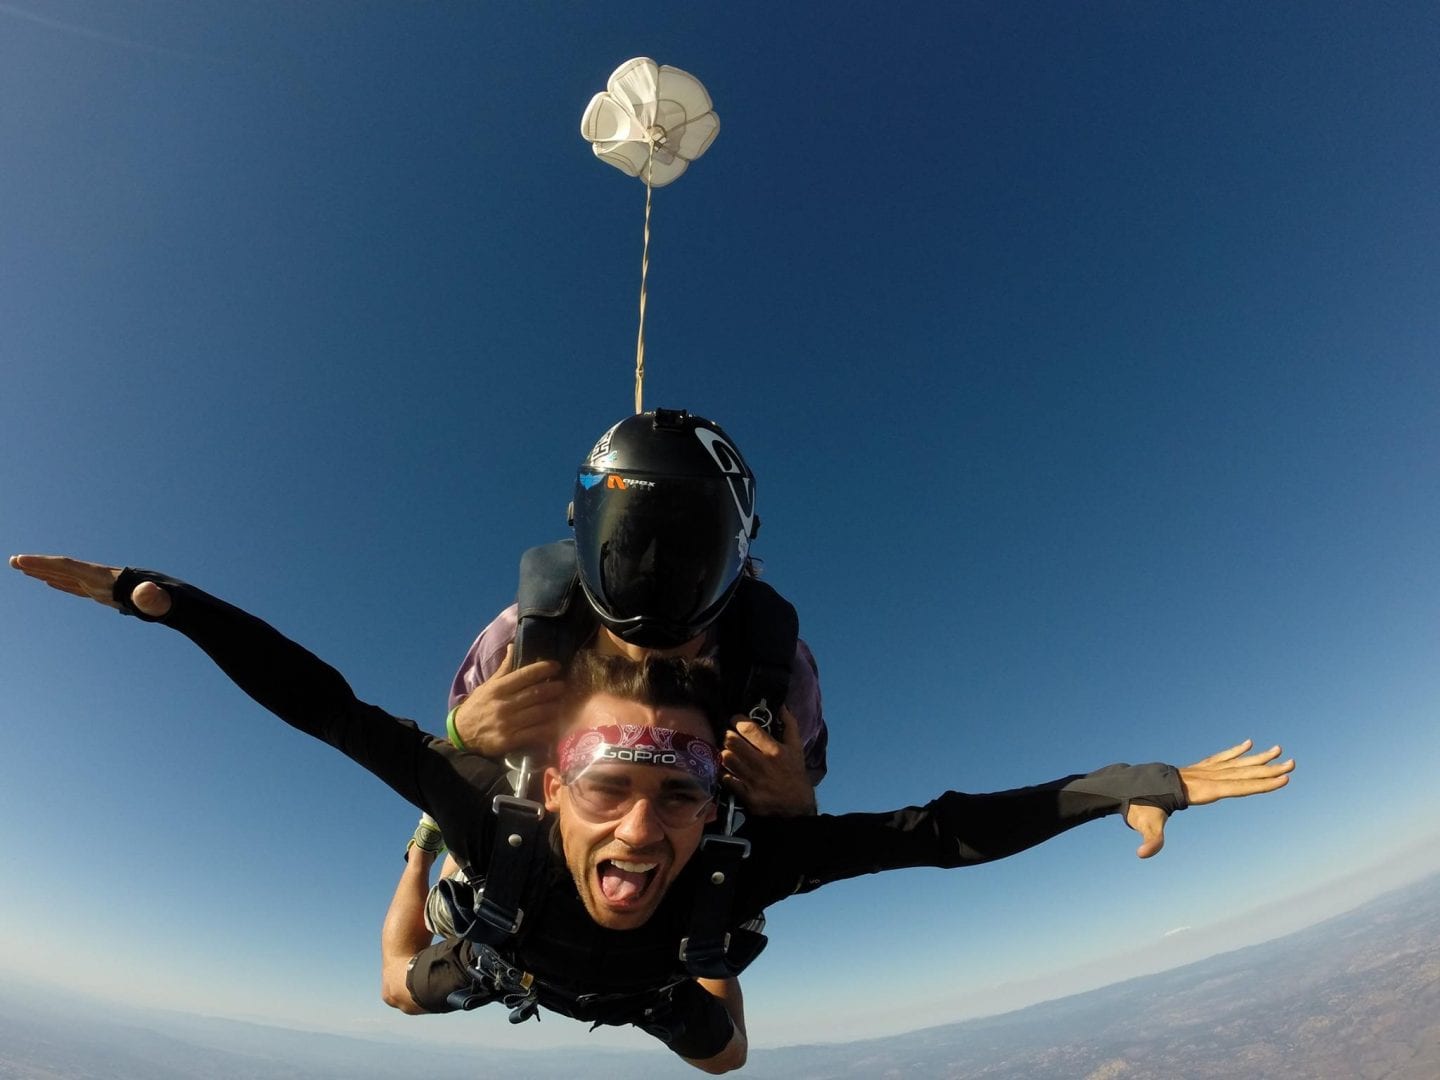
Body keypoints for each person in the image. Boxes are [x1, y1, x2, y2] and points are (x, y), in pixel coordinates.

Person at [10, 554, 1295, 1073]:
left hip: (652, 978)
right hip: (512, 940)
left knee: (727, 1059)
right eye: (611, 789)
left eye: (679, 796)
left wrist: (1142, 781)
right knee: (400, 989)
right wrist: (155, 597)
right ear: (553, 785)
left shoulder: (741, 853)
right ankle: (413, 853)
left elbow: (948, 832)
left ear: (711, 798)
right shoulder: (493, 820)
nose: (642, 831)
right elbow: (324, 706)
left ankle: (710, 971)